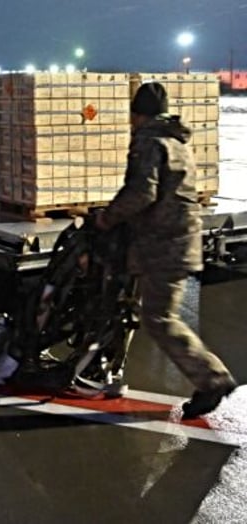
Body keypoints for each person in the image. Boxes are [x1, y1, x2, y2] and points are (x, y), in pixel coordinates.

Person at [95, 82, 237, 419]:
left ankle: (211, 378)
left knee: (158, 318)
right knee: (129, 306)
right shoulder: (176, 141)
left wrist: (107, 218)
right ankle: (108, 371)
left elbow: (142, 192)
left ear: (137, 114)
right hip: (173, 240)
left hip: (163, 245)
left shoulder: (148, 140)